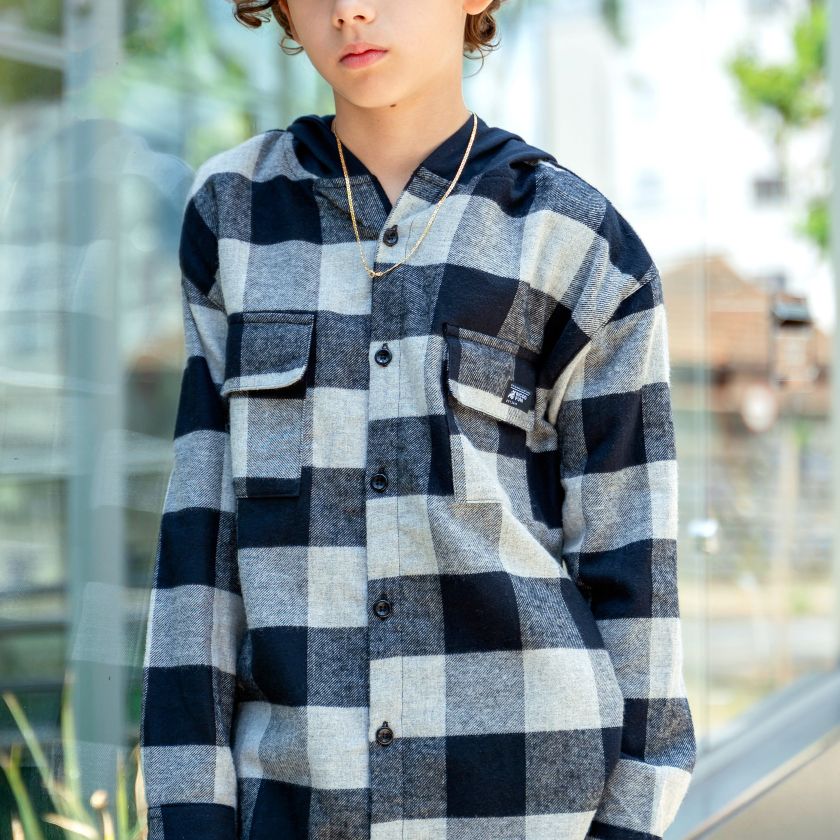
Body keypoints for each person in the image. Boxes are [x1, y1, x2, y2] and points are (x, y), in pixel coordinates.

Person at [139, 1, 698, 838]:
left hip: (529, 804)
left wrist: (631, 819)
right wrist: (189, 810)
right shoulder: (233, 214)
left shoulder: (580, 244)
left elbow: (635, 564)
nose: (349, 11)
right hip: (298, 801)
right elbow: (199, 544)